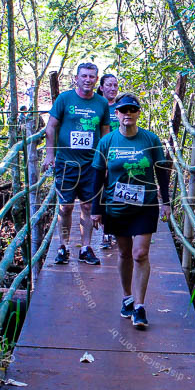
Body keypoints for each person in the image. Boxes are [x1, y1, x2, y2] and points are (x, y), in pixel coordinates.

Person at [90, 94, 172, 329]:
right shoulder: (107, 142)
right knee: (125, 254)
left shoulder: (150, 139)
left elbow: (162, 173)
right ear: (116, 114)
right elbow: (98, 176)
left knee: (140, 254)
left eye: (132, 110)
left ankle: (140, 306)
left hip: (145, 205)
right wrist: (96, 209)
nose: (128, 114)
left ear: (138, 113)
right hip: (116, 206)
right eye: (123, 110)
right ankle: (127, 297)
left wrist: (166, 202)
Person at [41, 62, 111, 266]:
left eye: (91, 76)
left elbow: (105, 133)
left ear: (96, 80)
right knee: (66, 206)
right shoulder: (64, 99)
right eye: (84, 76)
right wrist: (49, 154)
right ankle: (63, 246)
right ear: (76, 78)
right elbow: (51, 127)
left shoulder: (102, 103)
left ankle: (86, 248)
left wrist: (105, 162)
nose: (88, 80)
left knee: (88, 206)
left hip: (92, 164)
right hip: (66, 163)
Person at [98, 74, 121, 249]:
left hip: (119, 156)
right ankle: (106, 232)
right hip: (100, 155)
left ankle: (118, 229)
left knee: (117, 193)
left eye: (115, 85)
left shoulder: (122, 107)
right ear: (101, 87)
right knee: (103, 193)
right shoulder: (96, 105)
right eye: (109, 85)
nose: (112, 89)